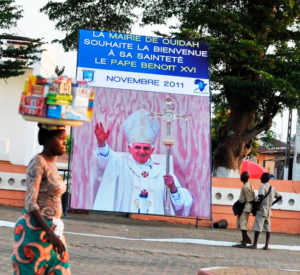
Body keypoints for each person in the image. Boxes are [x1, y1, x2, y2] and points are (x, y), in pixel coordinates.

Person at [91, 109, 193, 216]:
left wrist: (172, 187)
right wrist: (101, 143)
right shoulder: (120, 164)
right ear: (129, 148)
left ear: (152, 150)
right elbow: (104, 159)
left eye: (146, 148)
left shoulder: (161, 171)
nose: (141, 151)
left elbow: (181, 203)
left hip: (152, 224)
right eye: (137, 147)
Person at [12, 123, 71, 274]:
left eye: (65, 138)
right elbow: (30, 203)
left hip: (53, 231)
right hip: (35, 233)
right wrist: (49, 233)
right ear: (46, 139)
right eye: (60, 138)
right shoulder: (38, 162)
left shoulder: (52, 163)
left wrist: (53, 232)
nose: (64, 142)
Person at [250, 172, 282, 250]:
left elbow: (260, 197)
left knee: (258, 228)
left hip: (261, 210)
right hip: (268, 211)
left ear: (264, 179)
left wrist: (256, 207)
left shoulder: (262, 187)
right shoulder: (272, 188)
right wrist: (272, 204)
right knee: (268, 228)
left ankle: (255, 244)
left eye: (261, 177)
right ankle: (266, 245)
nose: (260, 178)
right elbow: (279, 197)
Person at [233, 171, 256, 248]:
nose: (241, 178)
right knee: (240, 223)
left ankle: (244, 242)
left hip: (245, 207)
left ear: (243, 178)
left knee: (243, 224)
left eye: (242, 176)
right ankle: (247, 239)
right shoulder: (249, 185)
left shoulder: (245, 187)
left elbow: (250, 198)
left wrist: (239, 205)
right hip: (245, 207)